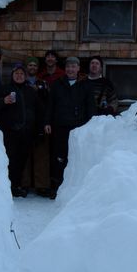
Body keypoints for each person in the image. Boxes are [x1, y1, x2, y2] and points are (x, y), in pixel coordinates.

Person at [0, 63, 42, 198]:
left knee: (21, 161)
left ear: (25, 76)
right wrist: (3, 101)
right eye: (16, 73)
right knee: (9, 161)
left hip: (26, 133)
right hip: (8, 132)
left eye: (21, 74)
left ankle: (16, 186)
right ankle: (7, 188)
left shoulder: (31, 91)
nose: (19, 76)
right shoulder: (4, 89)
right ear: (12, 75)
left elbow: (40, 110)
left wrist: (39, 128)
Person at [44, 56, 95, 199]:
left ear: (78, 68)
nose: (70, 69)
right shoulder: (57, 84)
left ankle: (73, 189)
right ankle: (56, 187)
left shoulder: (85, 85)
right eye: (68, 67)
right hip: (59, 126)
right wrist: (47, 122)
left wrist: (91, 124)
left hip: (78, 128)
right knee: (58, 157)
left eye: (73, 66)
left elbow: (91, 106)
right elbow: (50, 105)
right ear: (65, 69)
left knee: (74, 157)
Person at [22, 56, 51, 195]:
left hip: (40, 121)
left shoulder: (43, 83)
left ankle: (42, 185)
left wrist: (46, 121)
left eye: (34, 65)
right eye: (30, 65)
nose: (32, 67)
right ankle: (24, 183)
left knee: (41, 154)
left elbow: (48, 103)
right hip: (25, 122)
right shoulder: (21, 82)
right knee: (24, 154)